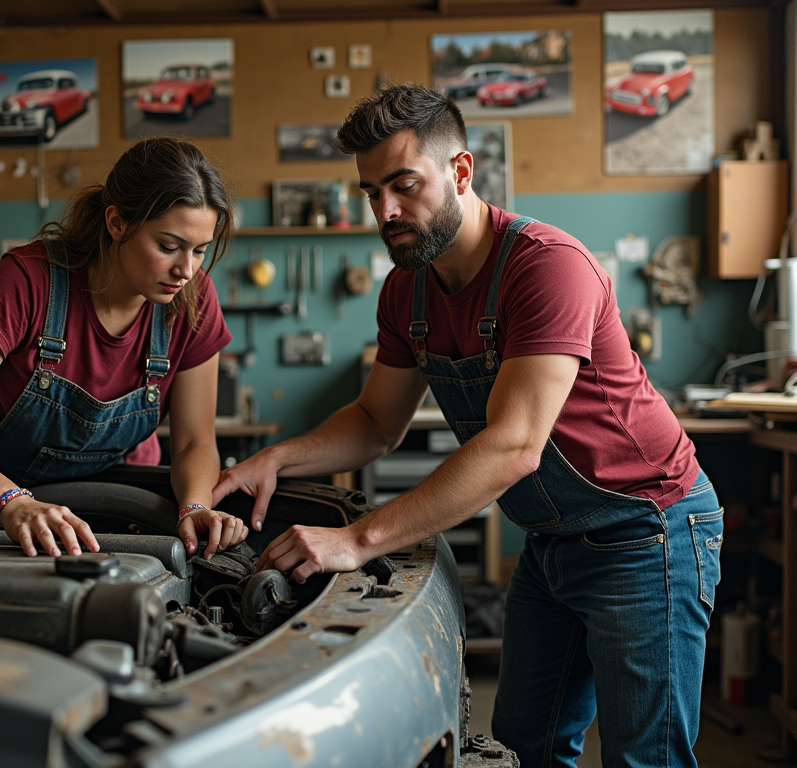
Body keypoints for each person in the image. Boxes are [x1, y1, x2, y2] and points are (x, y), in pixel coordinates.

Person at [212, 84, 723, 768]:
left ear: (459, 172)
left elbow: (514, 445)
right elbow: (373, 422)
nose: (385, 211)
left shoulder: (548, 268)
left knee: (643, 759)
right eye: (371, 192)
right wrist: (276, 459)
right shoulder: (406, 289)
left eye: (403, 185)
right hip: (551, 544)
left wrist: (358, 540)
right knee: (523, 749)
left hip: (647, 533)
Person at [0, 137, 248, 562]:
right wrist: (10, 502)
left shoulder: (193, 298)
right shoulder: (28, 282)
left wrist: (196, 507)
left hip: (113, 518)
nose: (186, 270)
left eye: (199, 251)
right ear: (117, 223)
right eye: (168, 246)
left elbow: (195, 441)